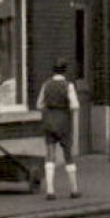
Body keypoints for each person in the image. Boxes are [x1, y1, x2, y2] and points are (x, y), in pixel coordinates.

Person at [36, 59, 82, 200]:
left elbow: (39, 104)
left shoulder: (46, 85)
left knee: (50, 154)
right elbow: (75, 105)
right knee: (68, 154)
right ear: (65, 71)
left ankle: (50, 190)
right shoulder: (68, 86)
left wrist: (49, 109)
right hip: (64, 122)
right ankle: (74, 189)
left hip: (49, 121)